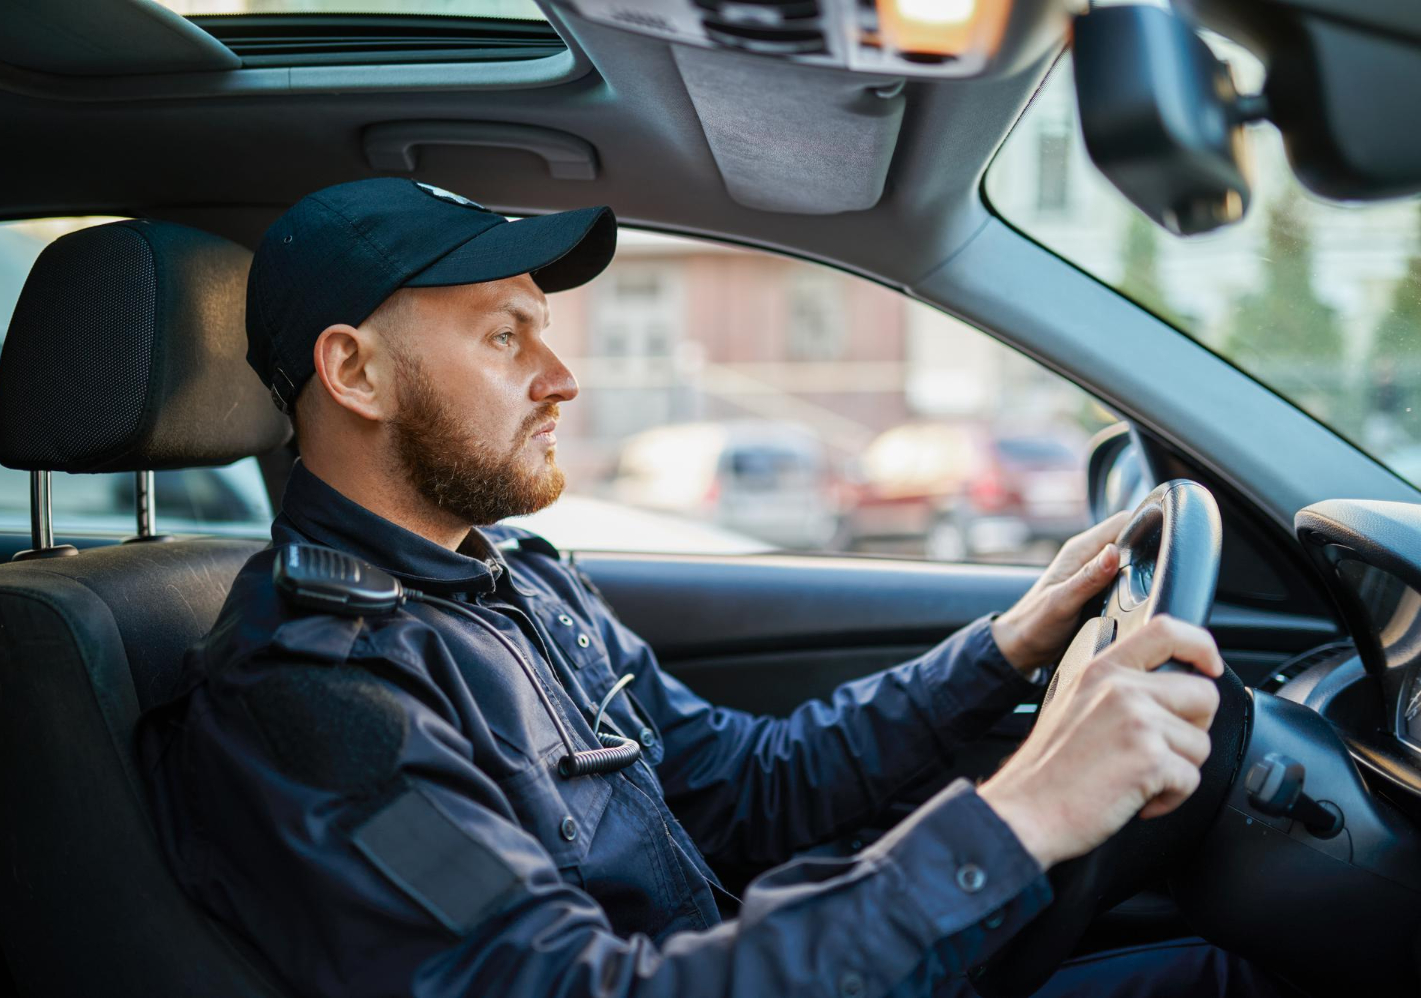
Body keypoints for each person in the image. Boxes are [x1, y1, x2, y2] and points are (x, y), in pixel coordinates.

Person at [136, 178, 1278, 998]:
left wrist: (1007, 649)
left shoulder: (514, 583)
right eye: (504, 335)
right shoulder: (317, 704)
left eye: (545, 331)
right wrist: (1025, 812)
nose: (562, 375)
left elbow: (746, 785)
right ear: (354, 372)